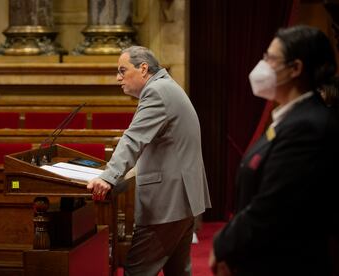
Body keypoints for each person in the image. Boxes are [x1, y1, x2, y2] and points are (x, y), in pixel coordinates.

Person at [209, 25, 339, 276]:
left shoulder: (308, 126)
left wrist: (224, 244)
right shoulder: (288, 119)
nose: (262, 65)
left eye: (270, 58)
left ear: (296, 68)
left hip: (285, 264)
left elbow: (272, 205)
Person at [87, 46, 211, 275]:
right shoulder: (167, 87)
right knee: (178, 271)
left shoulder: (157, 92)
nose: (118, 78)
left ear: (143, 68)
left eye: (122, 70)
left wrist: (108, 176)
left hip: (167, 202)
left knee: (137, 270)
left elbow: (132, 139)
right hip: (181, 199)